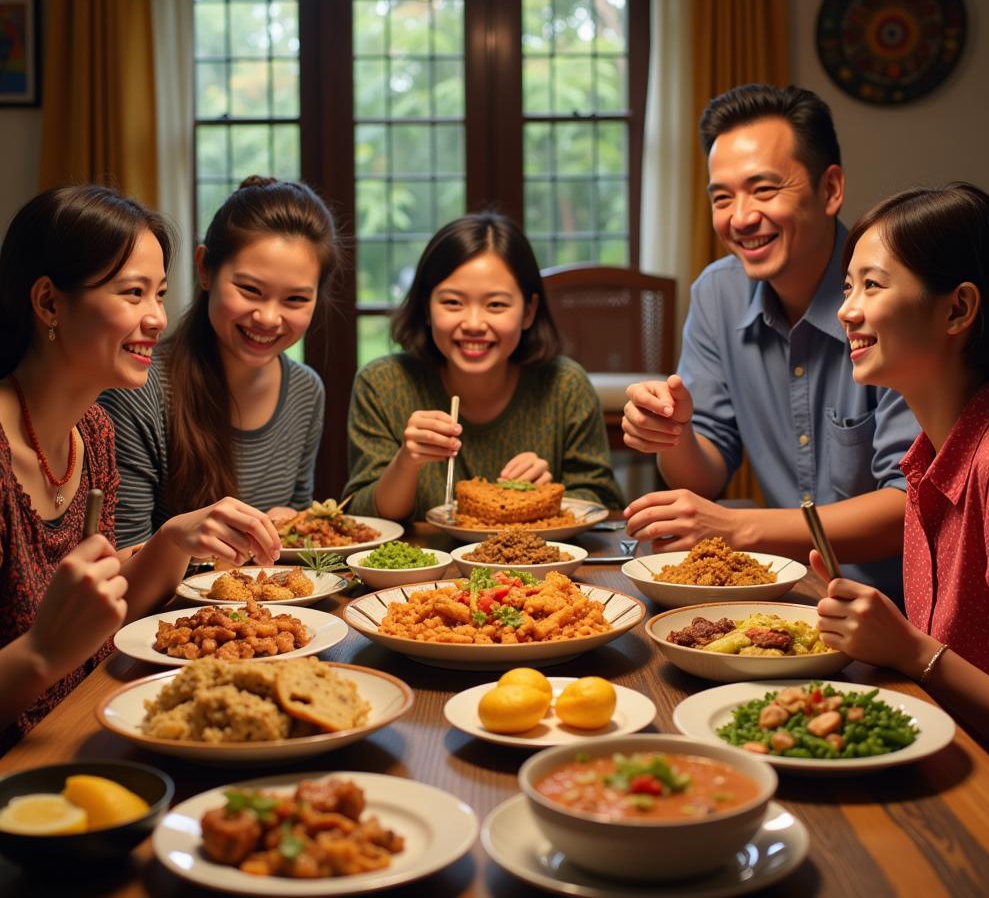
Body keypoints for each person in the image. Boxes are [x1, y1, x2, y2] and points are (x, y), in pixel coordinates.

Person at [0, 186, 280, 747]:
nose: (156, 317)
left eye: (159, 294)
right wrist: (40, 653)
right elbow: (57, 645)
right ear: (49, 303)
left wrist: (173, 540)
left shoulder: (92, 434)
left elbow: (100, 607)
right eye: (133, 293)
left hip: (91, 724)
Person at [621, 84, 918, 601]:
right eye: (722, 197)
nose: (740, 217)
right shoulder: (718, 293)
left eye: (763, 190)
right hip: (783, 597)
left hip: (896, 611)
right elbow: (705, 474)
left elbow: (909, 505)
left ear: (830, 190)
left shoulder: (891, 297)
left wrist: (741, 529)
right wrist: (675, 432)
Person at [812, 182, 989, 758]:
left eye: (872, 286)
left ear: (957, 308)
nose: (846, 311)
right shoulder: (927, 458)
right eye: (847, 286)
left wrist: (911, 651)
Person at [100, 176, 340, 547]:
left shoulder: (306, 391)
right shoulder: (140, 389)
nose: (268, 318)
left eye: (295, 300)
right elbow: (120, 561)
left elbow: (297, 533)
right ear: (205, 268)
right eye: (250, 290)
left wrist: (290, 526)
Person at [344, 213, 624, 521]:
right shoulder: (383, 384)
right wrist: (407, 462)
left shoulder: (564, 385)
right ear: (426, 306)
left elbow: (602, 502)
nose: (474, 324)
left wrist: (548, 494)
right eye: (452, 302)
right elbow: (363, 515)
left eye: (496, 305)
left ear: (529, 312)